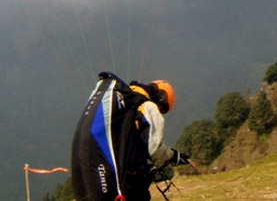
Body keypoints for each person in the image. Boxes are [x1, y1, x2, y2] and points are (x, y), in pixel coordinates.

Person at [72, 72, 190, 201]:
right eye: (163, 109)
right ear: (161, 99)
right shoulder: (147, 106)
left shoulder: (126, 104)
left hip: (86, 160)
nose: (161, 112)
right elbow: (154, 149)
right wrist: (172, 156)